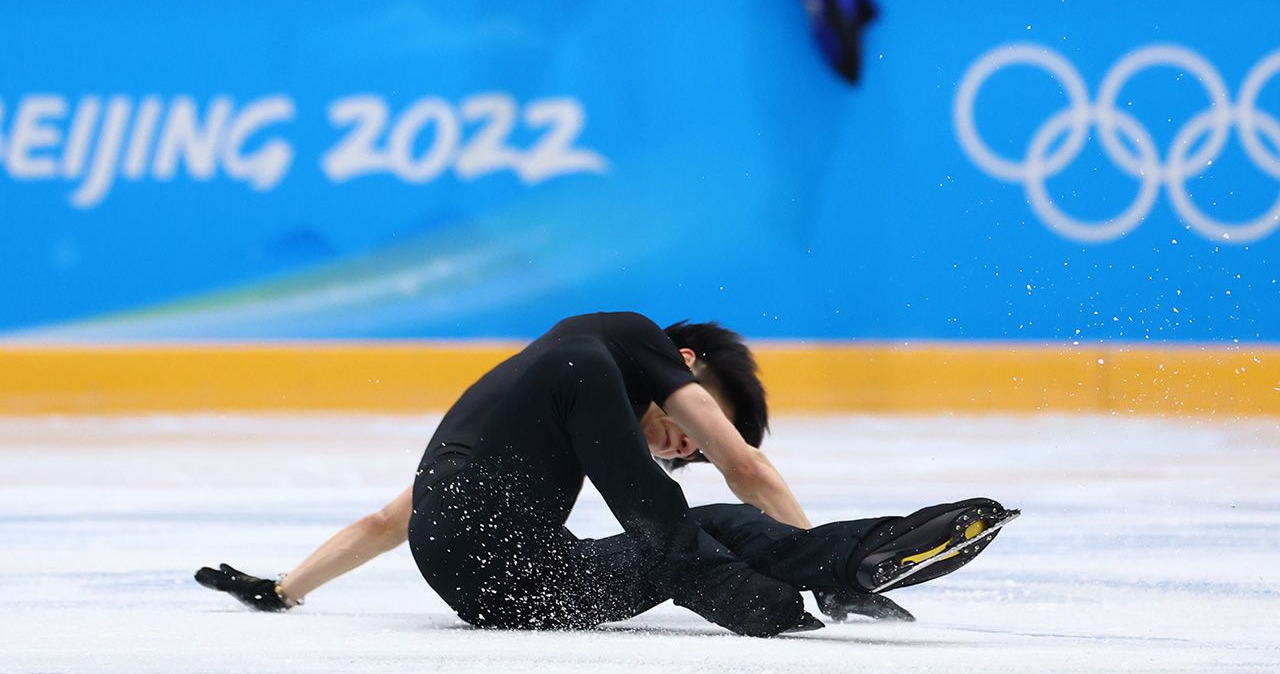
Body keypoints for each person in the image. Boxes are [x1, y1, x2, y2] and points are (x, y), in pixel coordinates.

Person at [198, 312, 1017, 636]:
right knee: (688, 515)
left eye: (690, 453)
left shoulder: (526, 401)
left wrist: (285, 588)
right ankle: (834, 564)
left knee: (699, 525)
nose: (687, 445)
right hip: (506, 568)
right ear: (683, 365)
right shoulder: (606, 353)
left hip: (495, 582)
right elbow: (744, 465)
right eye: (699, 421)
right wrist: (816, 563)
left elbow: (390, 522)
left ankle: (827, 575)